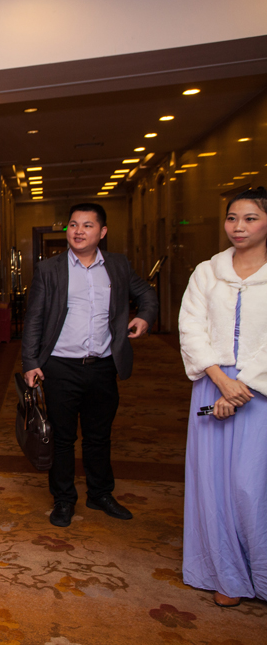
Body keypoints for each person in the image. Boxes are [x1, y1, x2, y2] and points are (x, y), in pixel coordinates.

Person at [22, 203, 158, 527]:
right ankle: (64, 499)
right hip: (60, 367)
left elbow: (147, 294)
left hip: (102, 366)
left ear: (102, 231)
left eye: (87, 225)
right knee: (62, 438)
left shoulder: (118, 265)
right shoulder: (49, 269)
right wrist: (30, 362)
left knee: (99, 435)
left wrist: (144, 317)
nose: (78, 231)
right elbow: (34, 318)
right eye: (73, 225)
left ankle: (100, 493)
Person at [179, 187, 267, 607]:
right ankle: (226, 574)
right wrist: (220, 381)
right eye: (232, 218)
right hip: (212, 383)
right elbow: (191, 328)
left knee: (251, 485)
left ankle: (261, 573)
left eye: (250, 218)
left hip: (260, 390)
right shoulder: (206, 272)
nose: (238, 227)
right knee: (212, 485)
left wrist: (242, 385)